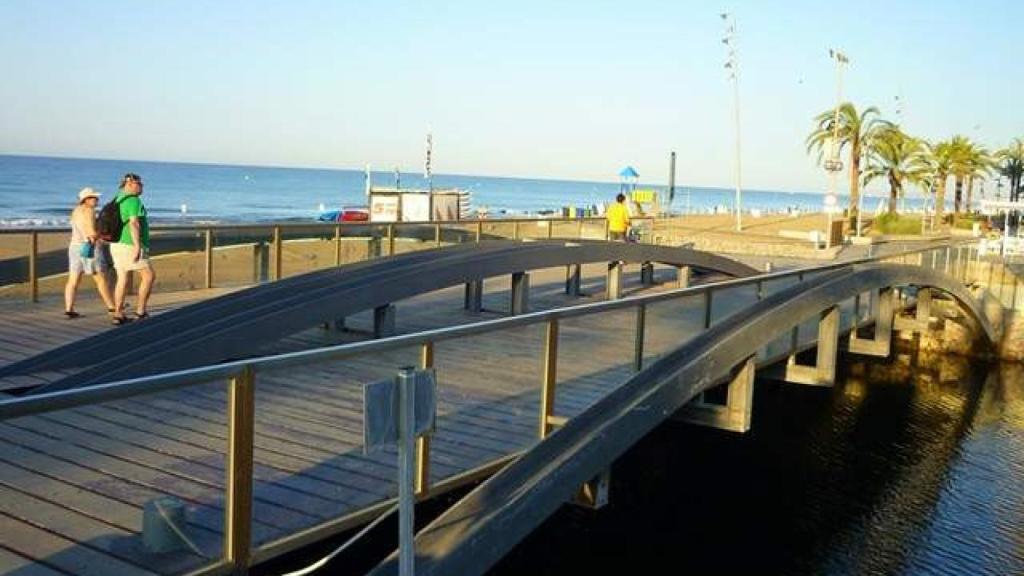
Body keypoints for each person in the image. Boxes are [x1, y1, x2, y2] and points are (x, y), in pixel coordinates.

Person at [109, 173, 155, 325]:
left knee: (122, 278)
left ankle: (118, 314)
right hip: (129, 244)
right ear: (129, 184)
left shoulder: (118, 199)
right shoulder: (134, 200)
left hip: (117, 244)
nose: (141, 186)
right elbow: (133, 224)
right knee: (148, 276)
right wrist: (137, 245)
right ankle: (140, 311)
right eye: (138, 184)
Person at [64, 187, 116, 317]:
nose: (96, 199)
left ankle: (69, 309)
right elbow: (91, 233)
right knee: (100, 278)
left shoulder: (75, 211)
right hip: (89, 247)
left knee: (73, 279)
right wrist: (103, 236)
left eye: (96, 197)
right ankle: (112, 307)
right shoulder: (89, 211)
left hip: (74, 247)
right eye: (93, 197)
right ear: (85, 200)